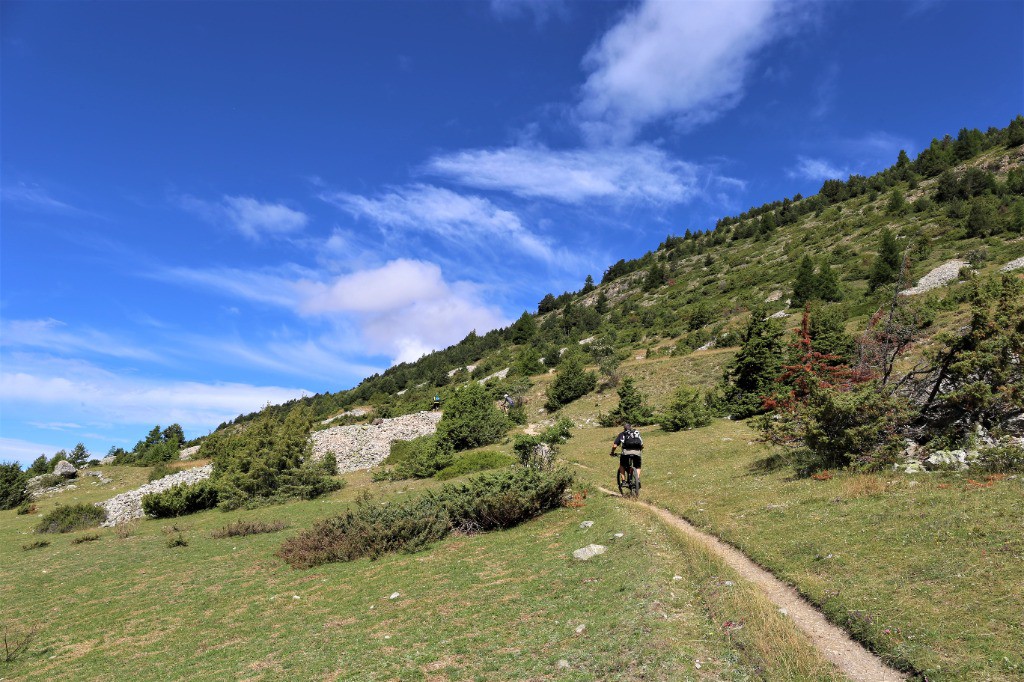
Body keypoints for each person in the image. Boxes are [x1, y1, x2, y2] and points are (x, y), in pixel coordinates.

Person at [610, 422, 643, 488]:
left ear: (624, 428)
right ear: (631, 427)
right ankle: (637, 480)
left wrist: (612, 452)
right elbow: (641, 444)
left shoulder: (622, 434)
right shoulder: (636, 433)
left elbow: (614, 445)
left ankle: (624, 481)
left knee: (622, 465)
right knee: (637, 466)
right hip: (637, 452)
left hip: (626, 452)